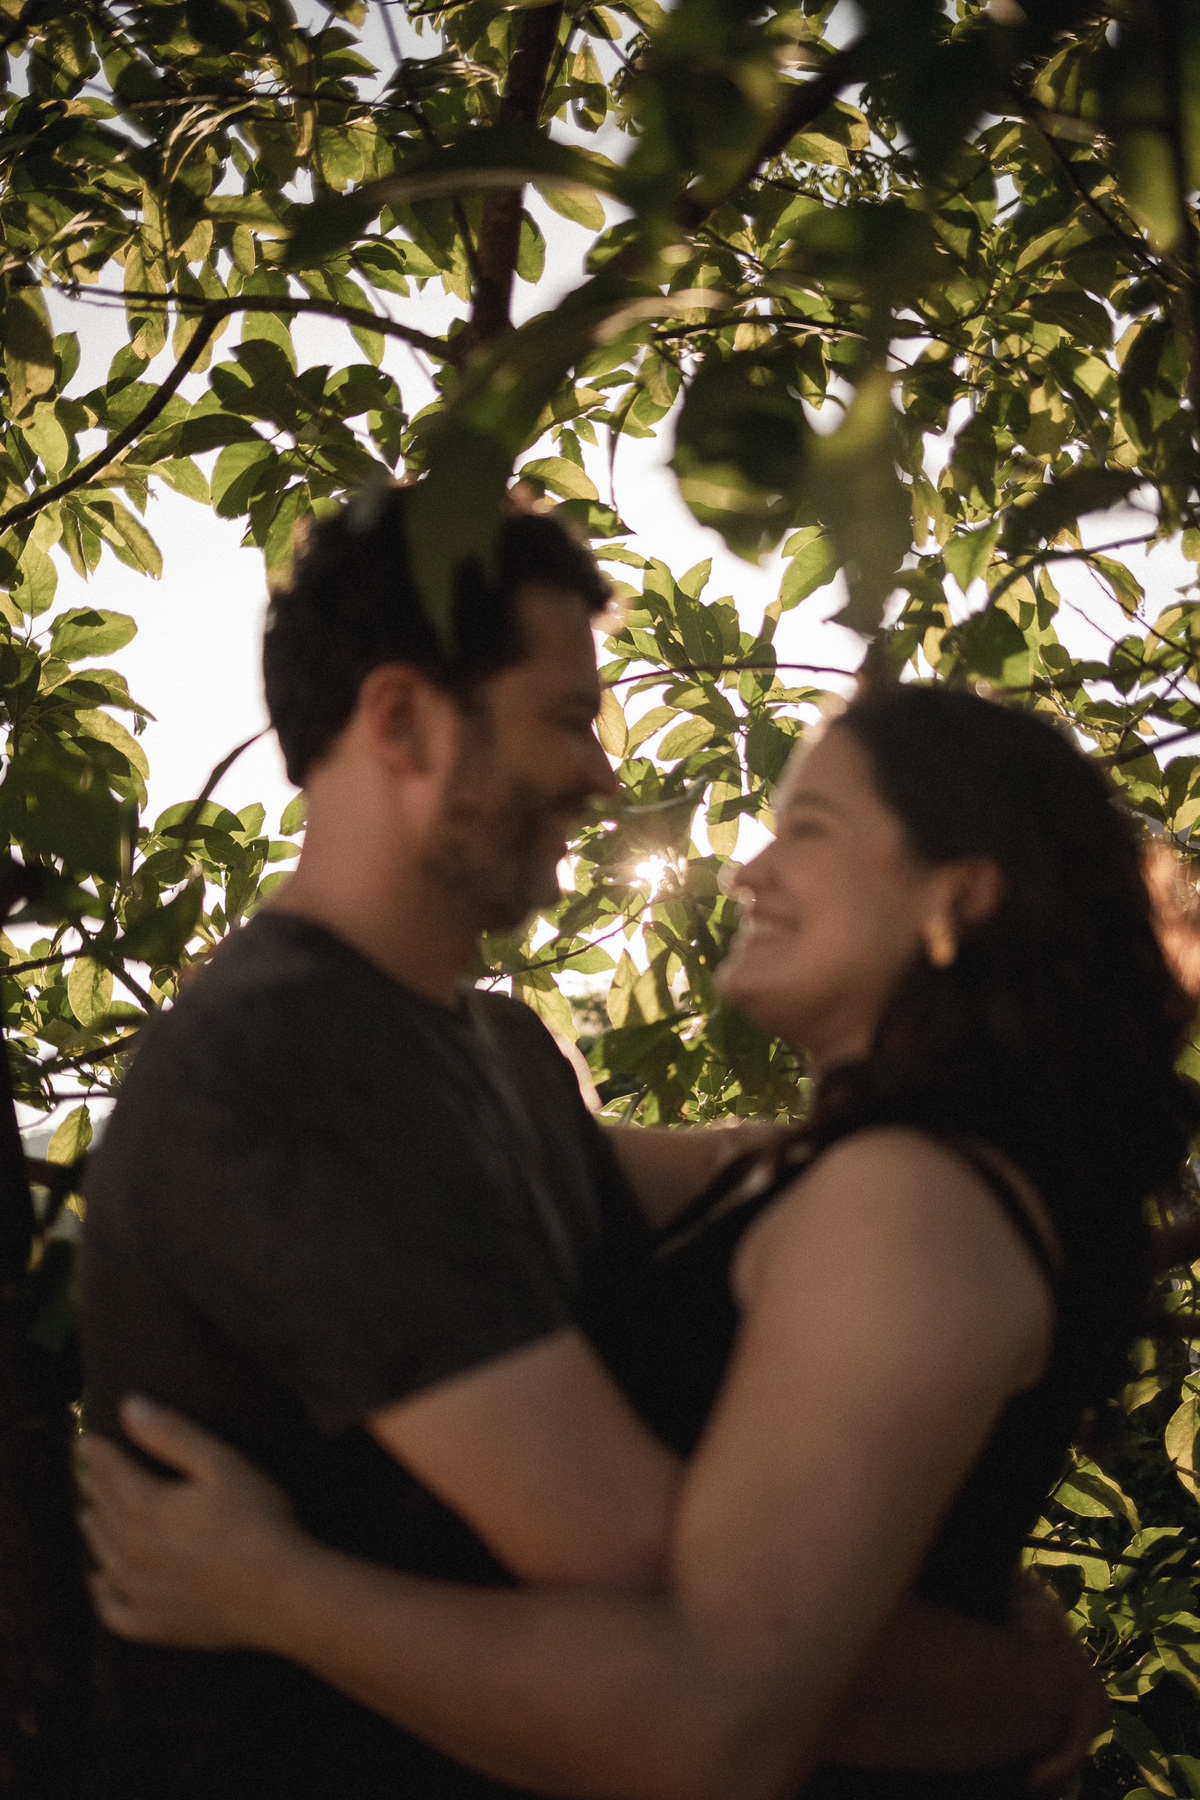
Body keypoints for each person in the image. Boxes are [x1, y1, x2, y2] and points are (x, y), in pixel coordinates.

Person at [80, 673, 1184, 1797]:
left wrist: (266, 1589)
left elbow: (718, 1727)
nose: (748, 870)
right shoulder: (820, 1174)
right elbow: (458, 1136)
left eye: (809, 828)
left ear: (958, 896)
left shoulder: (907, 1201)